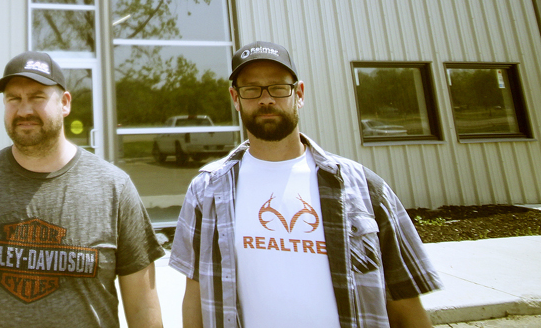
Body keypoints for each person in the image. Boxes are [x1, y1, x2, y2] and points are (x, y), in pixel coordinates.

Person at [170, 42, 442, 328]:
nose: (266, 99)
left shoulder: (364, 187)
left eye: (278, 87)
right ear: (235, 99)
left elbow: (404, 301)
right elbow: (196, 295)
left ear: (298, 93)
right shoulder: (207, 190)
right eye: (251, 89)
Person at [0, 51, 165, 328]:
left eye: (37, 97)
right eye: (14, 99)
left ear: (65, 103)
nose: (24, 110)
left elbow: (143, 304)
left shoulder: (114, 188)